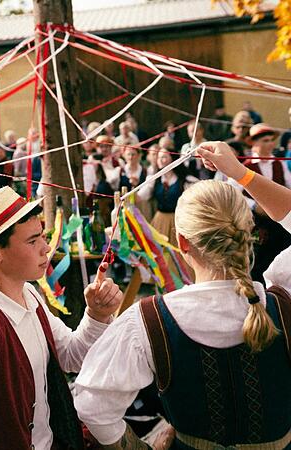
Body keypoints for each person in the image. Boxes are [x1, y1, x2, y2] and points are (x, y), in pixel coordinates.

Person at [74, 141, 291, 450]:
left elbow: (93, 408)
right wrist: (241, 174)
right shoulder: (283, 299)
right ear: (249, 231)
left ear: (182, 243)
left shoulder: (146, 321)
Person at [0, 187, 123, 449]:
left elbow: (70, 355)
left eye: (43, 236)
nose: (46, 248)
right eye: (32, 240)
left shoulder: (28, 293)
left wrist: (97, 314)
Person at [230, 123, 291, 284]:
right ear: (254, 143)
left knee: (281, 259)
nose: (271, 144)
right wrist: (253, 205)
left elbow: (288, 185)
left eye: (272, 140)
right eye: (265, 140)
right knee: (258, 262)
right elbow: (232, 191)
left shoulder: (280, 164)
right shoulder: (246, 166)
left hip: (280, 224)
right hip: (258, 223)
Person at [149, 149, 190, 247]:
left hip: (177, 220)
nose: (160, 160)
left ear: (173, 159)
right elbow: (141, 196)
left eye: (164, 157)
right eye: (159, 157)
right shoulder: (154, 179)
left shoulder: (184, 180)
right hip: (159, 220)